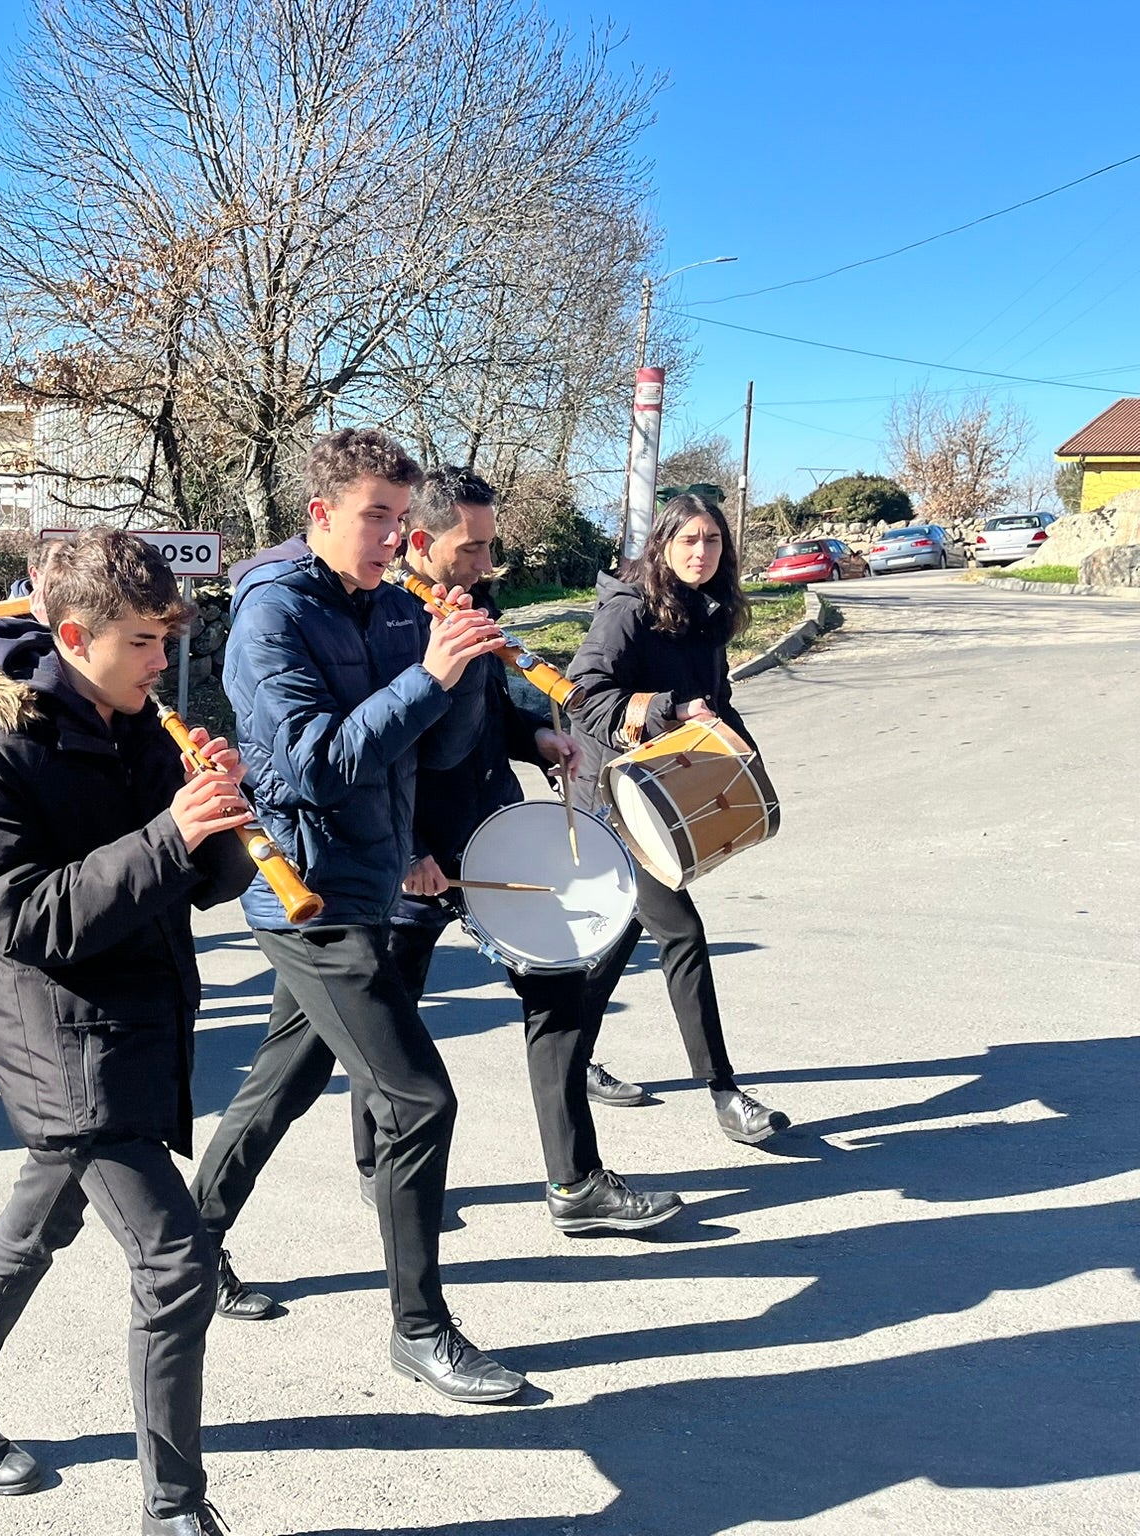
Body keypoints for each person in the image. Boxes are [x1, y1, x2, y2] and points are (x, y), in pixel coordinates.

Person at [0, 530, 252, 1536]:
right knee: (176, 1261)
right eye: (143, 640)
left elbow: (191, 887)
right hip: (54, 1033)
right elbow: (17, 918)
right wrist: (167, 834)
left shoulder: (139, 726)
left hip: (135, 1015)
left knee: (40, 1221)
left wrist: (222, 826)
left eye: (165, 637)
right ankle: (172, 1508)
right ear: (73, 635)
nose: (162, 659)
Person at [186, 428, 527, 1404]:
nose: (389, 536)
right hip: (303, 894)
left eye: (397, 518)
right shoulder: (272, 617)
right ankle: (418, 1328)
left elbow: (424, 744)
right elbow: (313, 763)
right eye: (373, 517)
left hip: (371, 878)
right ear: (320, 515)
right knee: (419, 1099)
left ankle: (186, 1251)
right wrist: (428, 674)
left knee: (280, 1085)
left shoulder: (387, 607)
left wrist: (464, 673)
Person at [370, 470, 682, 1234]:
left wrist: (534, 736)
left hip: (496, 837)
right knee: (390, 1023)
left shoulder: (472, 601)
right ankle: (384, 1172)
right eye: (471, 548)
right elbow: (378, 745)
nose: (486, 562)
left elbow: (483, 710)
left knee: (561, 990)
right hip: (413, 859)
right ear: (419, 544)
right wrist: (408, 847)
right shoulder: (377, 619)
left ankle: (575, 1185)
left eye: (488, 545)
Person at [565, 490, 792, 1148]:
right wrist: (668, 709)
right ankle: (723, 1094)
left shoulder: (705, 611)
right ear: (662, 544)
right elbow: (583, 695)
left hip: (659, 790)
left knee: (614, 946)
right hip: (612, 798)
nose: (701, 551)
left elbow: (711, 701)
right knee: (682, 931)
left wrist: (743, 751)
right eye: (688, 540)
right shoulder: (629, 607)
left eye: (712, 541)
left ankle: (569, 1057)